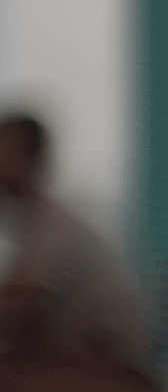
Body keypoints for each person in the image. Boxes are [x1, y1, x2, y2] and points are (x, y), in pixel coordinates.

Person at [0, 110, 151, 368]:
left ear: (30, 158)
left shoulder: (55, 234)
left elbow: (19, 311)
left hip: (112, 377)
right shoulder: (37, 227)